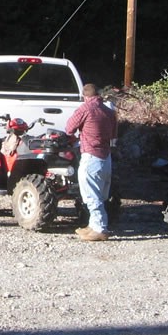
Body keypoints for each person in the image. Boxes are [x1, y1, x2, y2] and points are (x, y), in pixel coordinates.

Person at [65, 83, 118, 242]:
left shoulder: (85, 108)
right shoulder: (109, 112)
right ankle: (93, 225)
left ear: (84, 96)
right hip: (106, 157)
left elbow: (69, 128)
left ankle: (100, 228)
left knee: (91, 194)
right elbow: (114, 134)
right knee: (101, 194)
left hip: (91, 156)